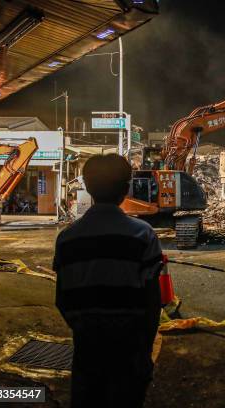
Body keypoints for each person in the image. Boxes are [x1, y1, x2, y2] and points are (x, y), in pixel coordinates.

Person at [53, 154, 162, 408]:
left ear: (88, 188)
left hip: (87, 344)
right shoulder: (143, 234)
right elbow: (152, 301)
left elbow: (62, 299)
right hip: (130, 344)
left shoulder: (67, 239)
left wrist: (85, 328)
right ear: (126, 189)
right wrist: (144, 350)